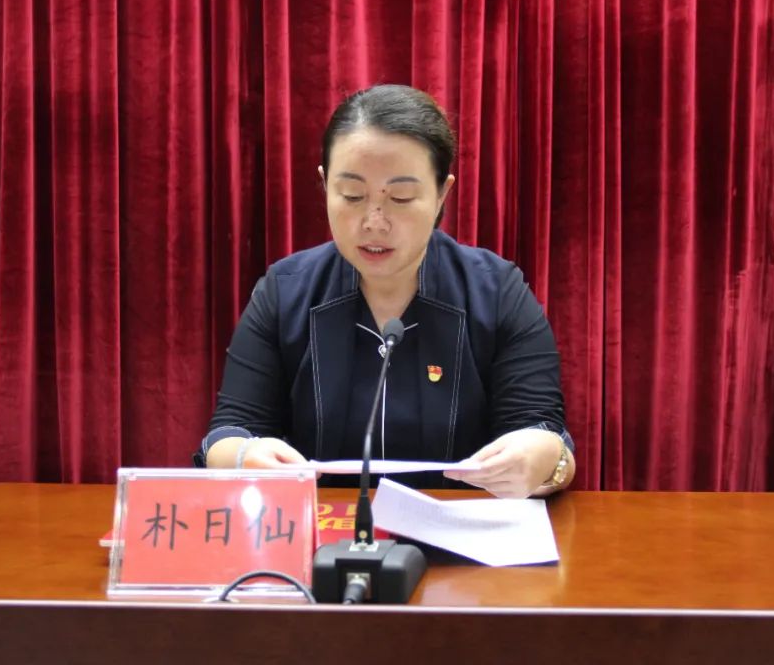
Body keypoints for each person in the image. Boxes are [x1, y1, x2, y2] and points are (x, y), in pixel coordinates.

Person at [198, 84, 575, 498]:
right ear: (325, 186)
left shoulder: (497, 291)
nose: (374, 222)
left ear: (442, 194)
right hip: (322, 531)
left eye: (401, 197)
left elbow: (546, 436)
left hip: (458, 531)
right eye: (352, 195)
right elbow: (229, 431)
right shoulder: (284, 290)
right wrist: (243, 456)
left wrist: (543, 459)